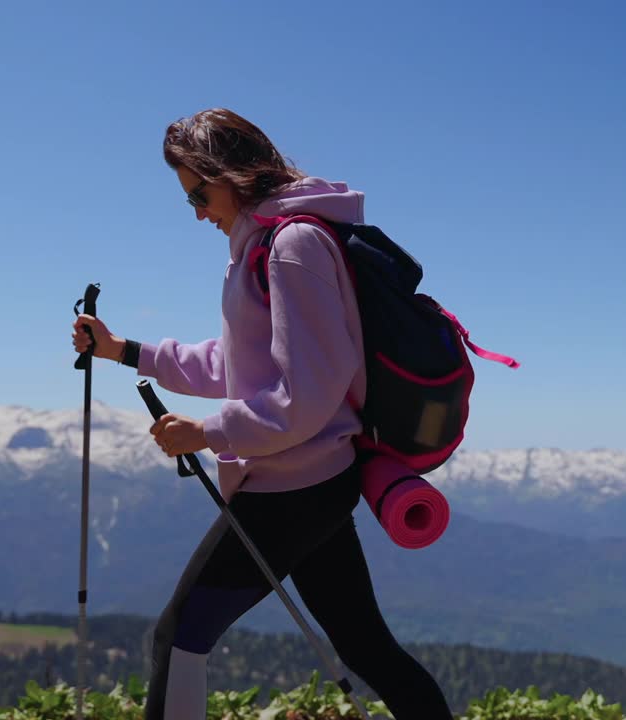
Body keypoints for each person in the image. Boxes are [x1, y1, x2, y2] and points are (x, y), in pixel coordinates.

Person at [71, 108, 454, 719]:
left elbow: (307, 394)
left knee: (179, 637)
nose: (197, 211)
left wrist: (207, 430)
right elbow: (240, 365)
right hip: (312, 480)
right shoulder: (266, 244)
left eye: (200, 193)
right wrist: (125, 352)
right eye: (187, 200)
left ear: (233, 174)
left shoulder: (291, 245)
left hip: (290, 488)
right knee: (364, 645)